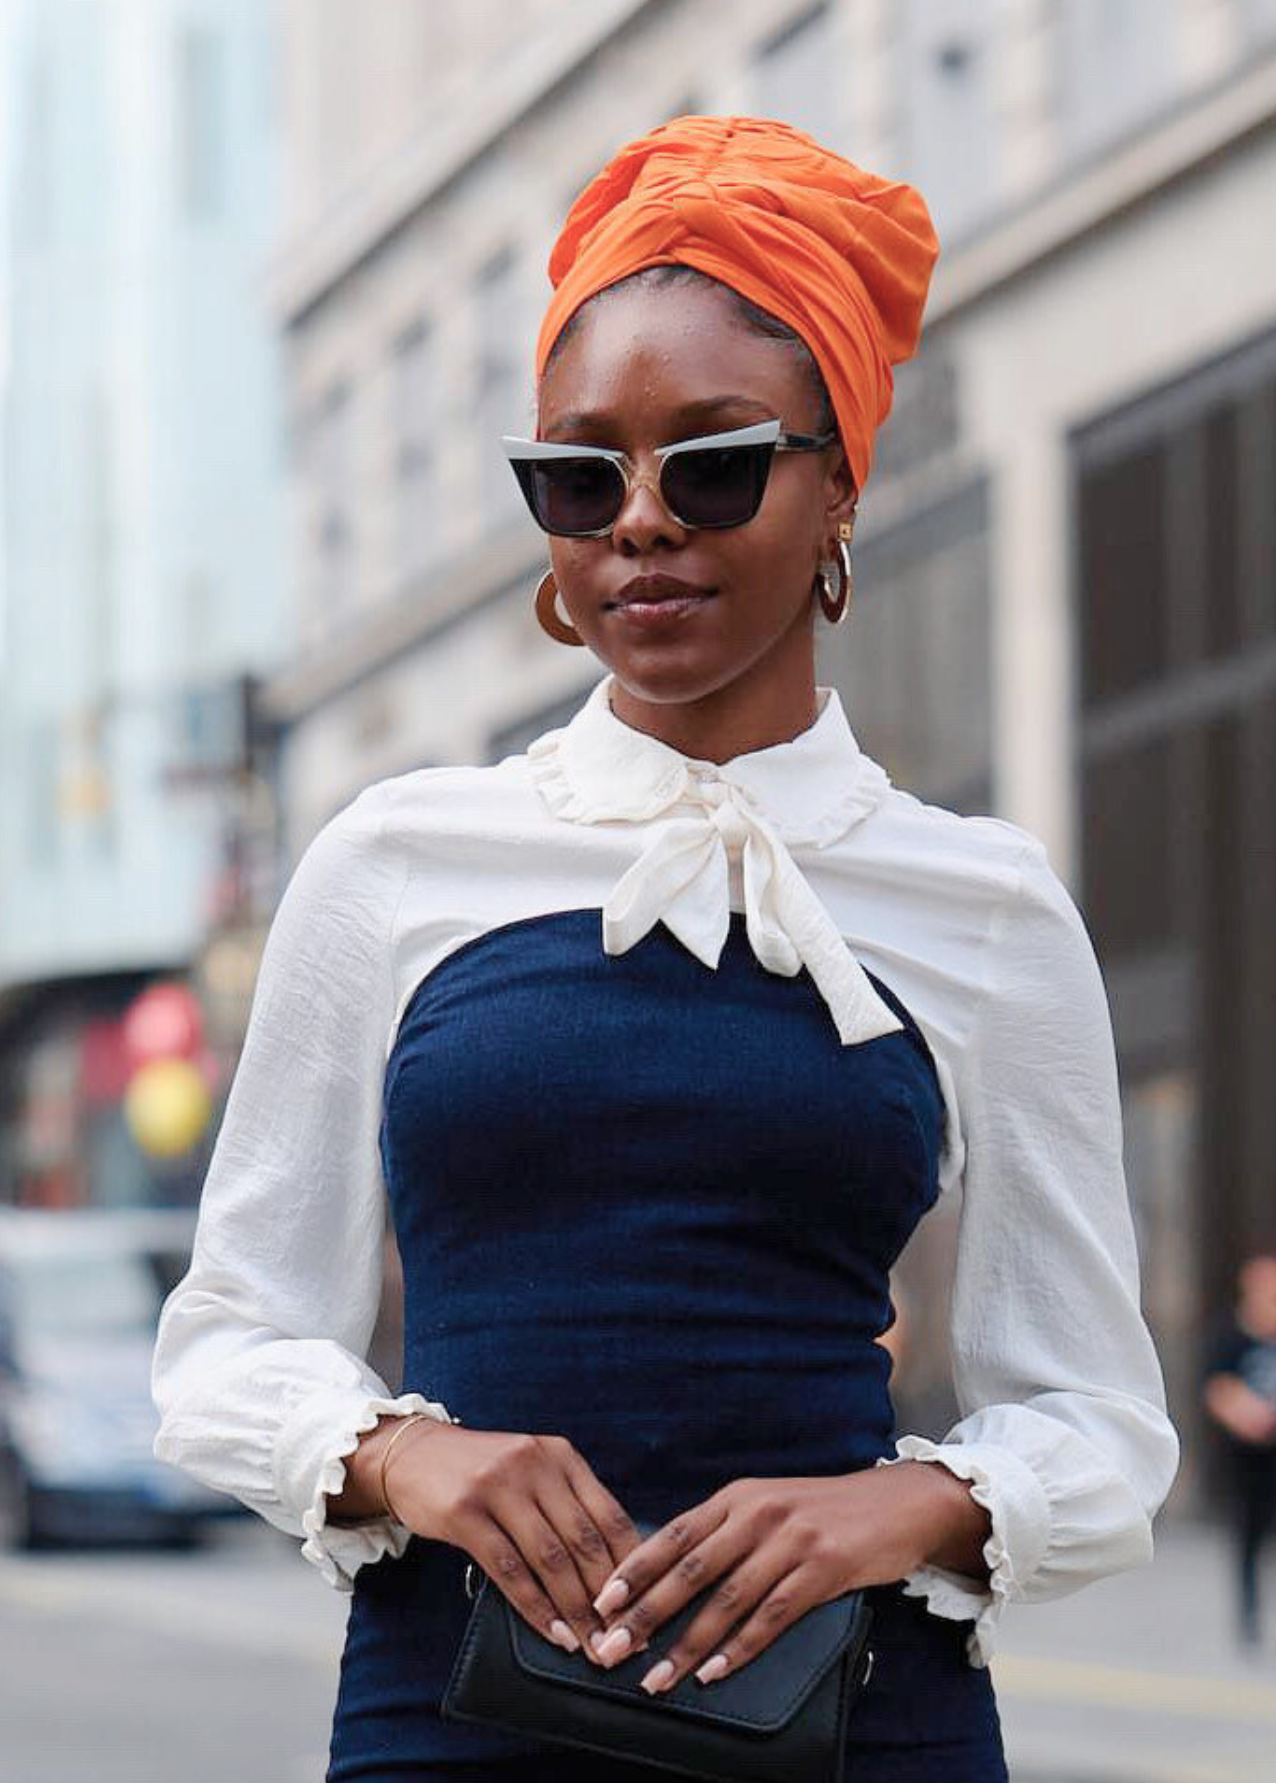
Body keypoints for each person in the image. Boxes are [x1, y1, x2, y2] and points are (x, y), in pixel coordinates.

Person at [151, 115, 1180, 1781]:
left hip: (863, 1722)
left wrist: (898, 1503)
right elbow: (226, 1343)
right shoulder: (394, 862)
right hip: (452, 1720)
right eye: (580, 476)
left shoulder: (981, 903)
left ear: (837, 483)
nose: (639, 520)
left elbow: (1100, 1418)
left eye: (711, 464)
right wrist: (406, 1457)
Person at [1203, 1249, 1276, 1647]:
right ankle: (1249, 1616)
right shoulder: (1231, 1336)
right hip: (1247, 1459)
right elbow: (1217, 1388)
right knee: (1248, 1539)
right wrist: (1246, 1415)